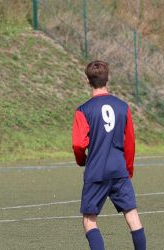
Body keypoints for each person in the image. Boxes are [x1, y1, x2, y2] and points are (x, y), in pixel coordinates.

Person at [72, 60, 146, 250]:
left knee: (89, 221)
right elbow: (130, 142)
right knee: (132, 216)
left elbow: (79, 144)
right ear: (108, 79)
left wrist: (82, 161)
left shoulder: (83, 110)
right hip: (119, 170)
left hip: (96, 170)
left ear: (88, 81)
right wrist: (127, 169)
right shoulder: (123, 107)